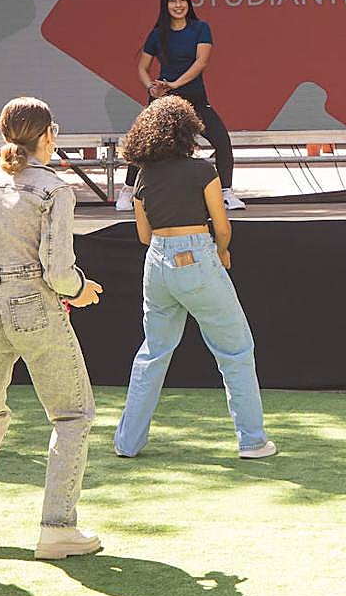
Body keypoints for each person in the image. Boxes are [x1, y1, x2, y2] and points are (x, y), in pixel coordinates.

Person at [0, 96, 104, 559]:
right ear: (48, 136)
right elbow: (57, 270)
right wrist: (79, 288)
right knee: (72, 415)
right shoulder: (54, 190)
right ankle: (58, 527)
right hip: (33, 307)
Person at [113, 96, 276, 459]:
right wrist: (220, 251)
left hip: (156, 261)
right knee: (236, 350)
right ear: (189, 130)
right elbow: (222, 225)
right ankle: (252, 441)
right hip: (198, 257)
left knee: (153, 353)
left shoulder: (142, 177)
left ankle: (127, 443)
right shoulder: (203, 171)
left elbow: (143, 235)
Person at [115, 0, 245, 212]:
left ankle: (226, 192)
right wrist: (151, 88)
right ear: (165, 5)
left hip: (194, 98)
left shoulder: (200, 28)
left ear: (188, 3)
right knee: (143, 146)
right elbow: (142, 68)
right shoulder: (157, 34)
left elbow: (201, 61)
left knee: (222, 142)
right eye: (173, 0)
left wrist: (175, 83)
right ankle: (127, 192)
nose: (178, 5)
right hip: (164, 100)